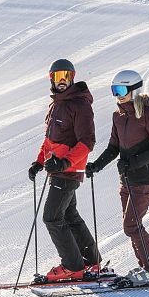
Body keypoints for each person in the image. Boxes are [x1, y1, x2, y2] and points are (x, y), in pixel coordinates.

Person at [86, 70, 149, 285]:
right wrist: (97, 165)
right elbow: (114, 147)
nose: (118, 95)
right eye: (114, 91)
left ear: (135, 89)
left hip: (145, 178)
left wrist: (133, 162)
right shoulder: (118, 115)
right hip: (127, 180)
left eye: (121, 90)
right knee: (133, 225)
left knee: (131, 226)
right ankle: (146, 267)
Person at [28, 58, 101, 282]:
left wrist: (64, 163)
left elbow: (87, 141)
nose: (62, 81)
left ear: (72, 77)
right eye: (57, 77)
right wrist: (39, 162)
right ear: (51, 79)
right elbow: (50, 140)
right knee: (69, 215)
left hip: (67, 172)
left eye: (66, 76)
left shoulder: (79, 105)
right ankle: (91, 261)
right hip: (58, 170)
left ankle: (73, 266)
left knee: (51, 217)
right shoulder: (57, 104)